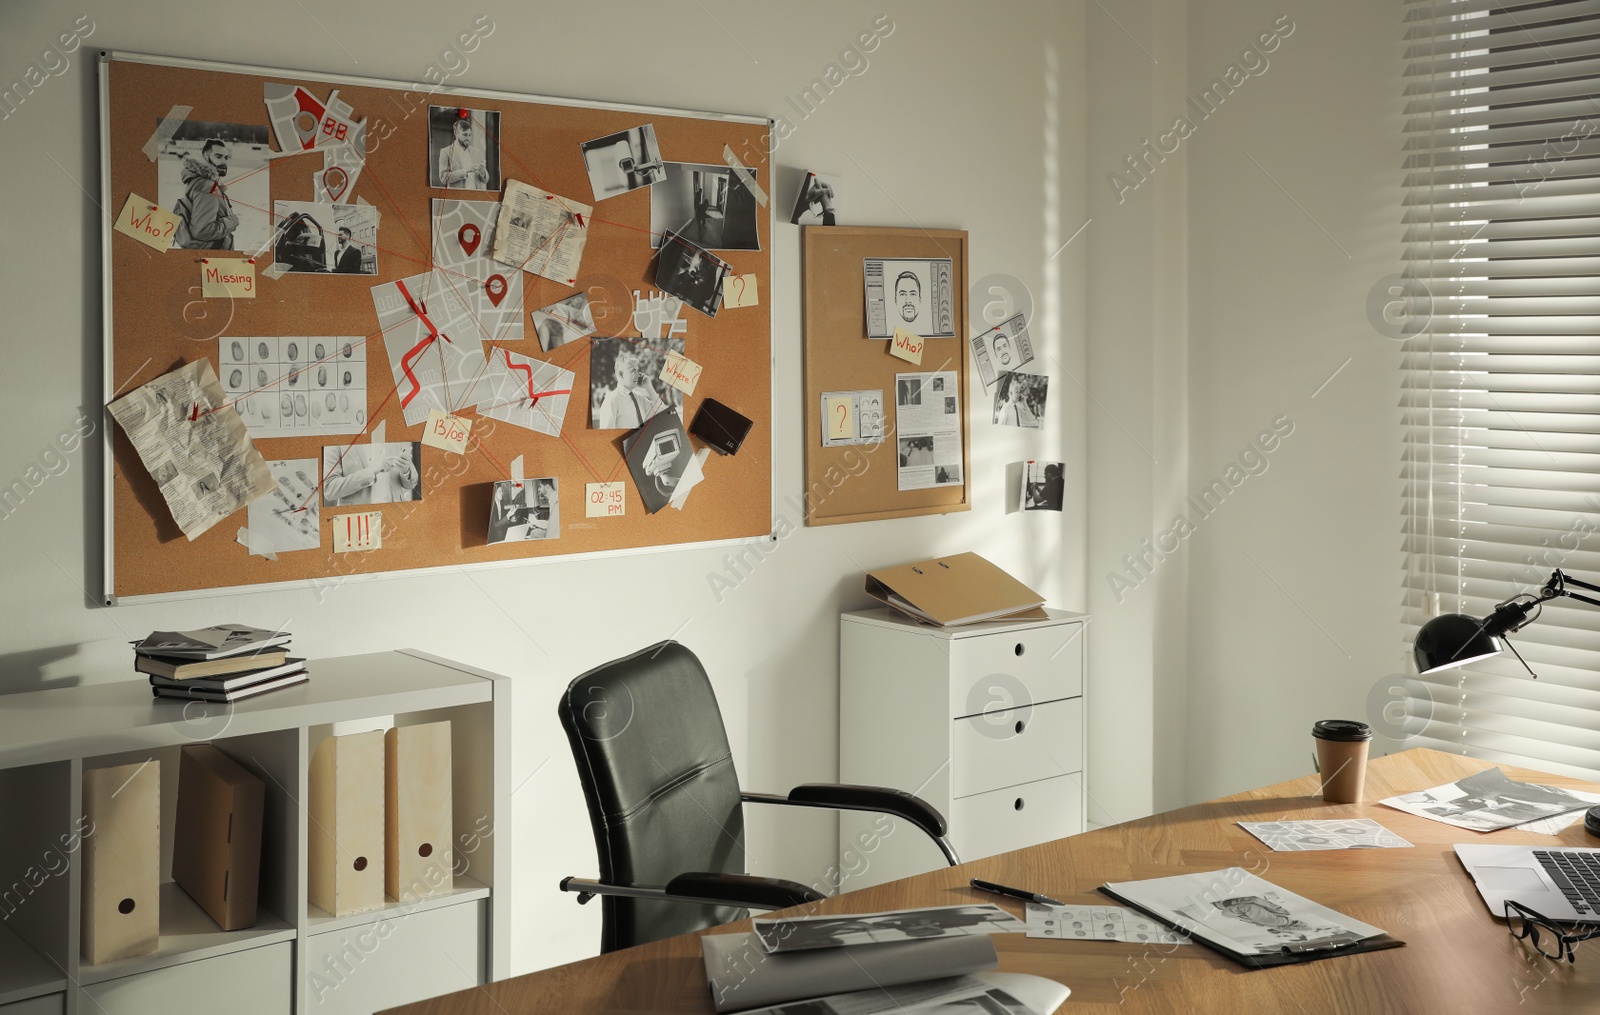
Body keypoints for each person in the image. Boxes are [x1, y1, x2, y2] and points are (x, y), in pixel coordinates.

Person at [173, 139, 240, 249]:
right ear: (205, 157)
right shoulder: (207, 186)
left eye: (226, 157)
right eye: (218, 156)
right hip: (213, 253)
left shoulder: (201, 181)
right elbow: (202, 231)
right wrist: (232, 221)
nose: (224, 162)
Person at [323, 443, 417, 506]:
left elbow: (411, 484)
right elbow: (329, 489)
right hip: (358, 520)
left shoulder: (393, 428)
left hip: (395, 514)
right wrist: (371, 471)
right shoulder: (336, 437)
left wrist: (406, 472)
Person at [596, 348, 667, 428]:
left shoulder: (640, 398)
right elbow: (606, 435)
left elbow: (663, 414)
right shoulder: (612, 399)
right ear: (621, 374)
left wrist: (649, 387)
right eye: (633, 371)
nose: (638, 374)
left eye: (637, 370)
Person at [438, 113, 488, 189]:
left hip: (475, 196)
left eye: (470, 135)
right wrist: (466, 170)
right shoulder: (445, 152)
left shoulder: (476, 152)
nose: (468, 138)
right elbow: (443, 177)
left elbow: (485, 180)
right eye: (465, 135)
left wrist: (483, 172)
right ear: (456, 133)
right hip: (458, 197)